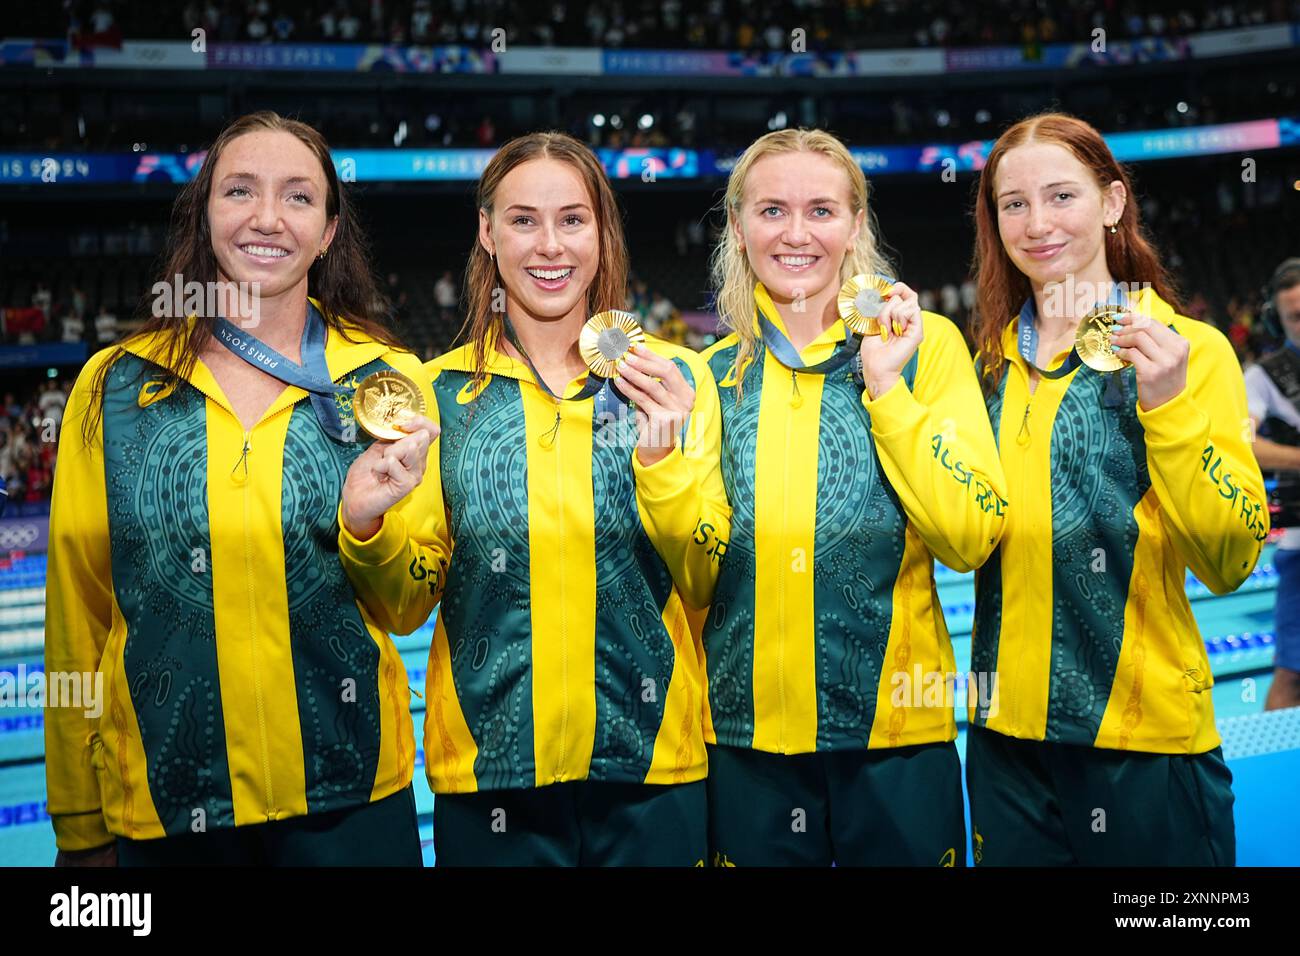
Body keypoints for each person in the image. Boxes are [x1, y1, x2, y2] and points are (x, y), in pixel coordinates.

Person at [44, 111, 429, 867]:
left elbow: (410, 604)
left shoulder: (385, 382)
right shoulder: (116, 386)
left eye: (297, 197)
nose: (266, 218)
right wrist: (79, 820)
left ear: (326, 231)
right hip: (164, 809)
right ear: (204, 215)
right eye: (239, 191)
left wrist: (368, 531)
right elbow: (75, 622)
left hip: (352, 804)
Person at [338, 131, 729, 866]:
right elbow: (405, 606)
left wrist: (662, 461)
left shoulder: (676, 381)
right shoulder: (437, 393)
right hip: (491, 781)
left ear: (603, 232)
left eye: (573, 219)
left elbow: (708, 575)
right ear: (487, 233)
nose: (550, 246)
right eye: (523, 220)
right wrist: (368, 525)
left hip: (654, 772)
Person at [966, 112, 1268, 866]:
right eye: (1014, 204)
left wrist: (1166, 407)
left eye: (1061, 196)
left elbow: (1229, 560)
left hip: (1146, 740)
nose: (1037, 224)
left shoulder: (1190, 352)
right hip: (1006, 745)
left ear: (1111, 202)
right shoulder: (988, 368)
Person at [701, 128, 1008, 866]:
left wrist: (887, 390)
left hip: (899, 736)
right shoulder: (709, 376)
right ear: (738, 229)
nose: (797, 233)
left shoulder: (923, 347)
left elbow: (971, 536)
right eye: (772, 210)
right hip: (745, 741)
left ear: (856, 226)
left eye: (822, 210)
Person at [1244, 257, 1300, 710]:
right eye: (1295, 316)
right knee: (1291, 675)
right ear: (1275, 320)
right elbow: (1243, 443)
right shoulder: (1262, 378)